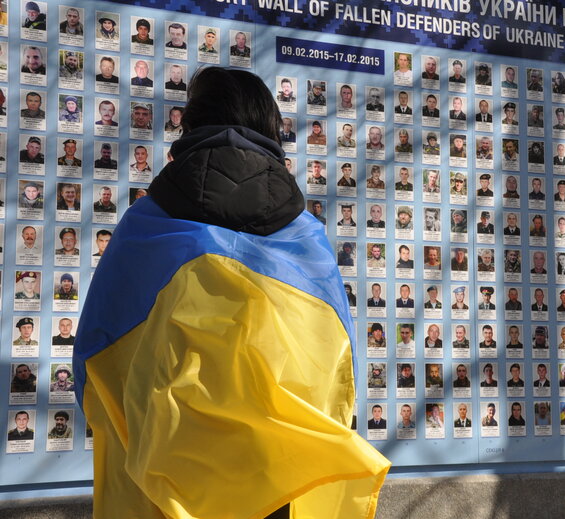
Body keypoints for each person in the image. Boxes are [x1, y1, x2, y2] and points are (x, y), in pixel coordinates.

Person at [74, 67, 388, 517]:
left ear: (190, 125)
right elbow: (342, 366)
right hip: (275, 474)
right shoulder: (303, 235)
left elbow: (93, 355)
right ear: (270, 126)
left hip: (169, 473)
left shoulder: (146, 224)